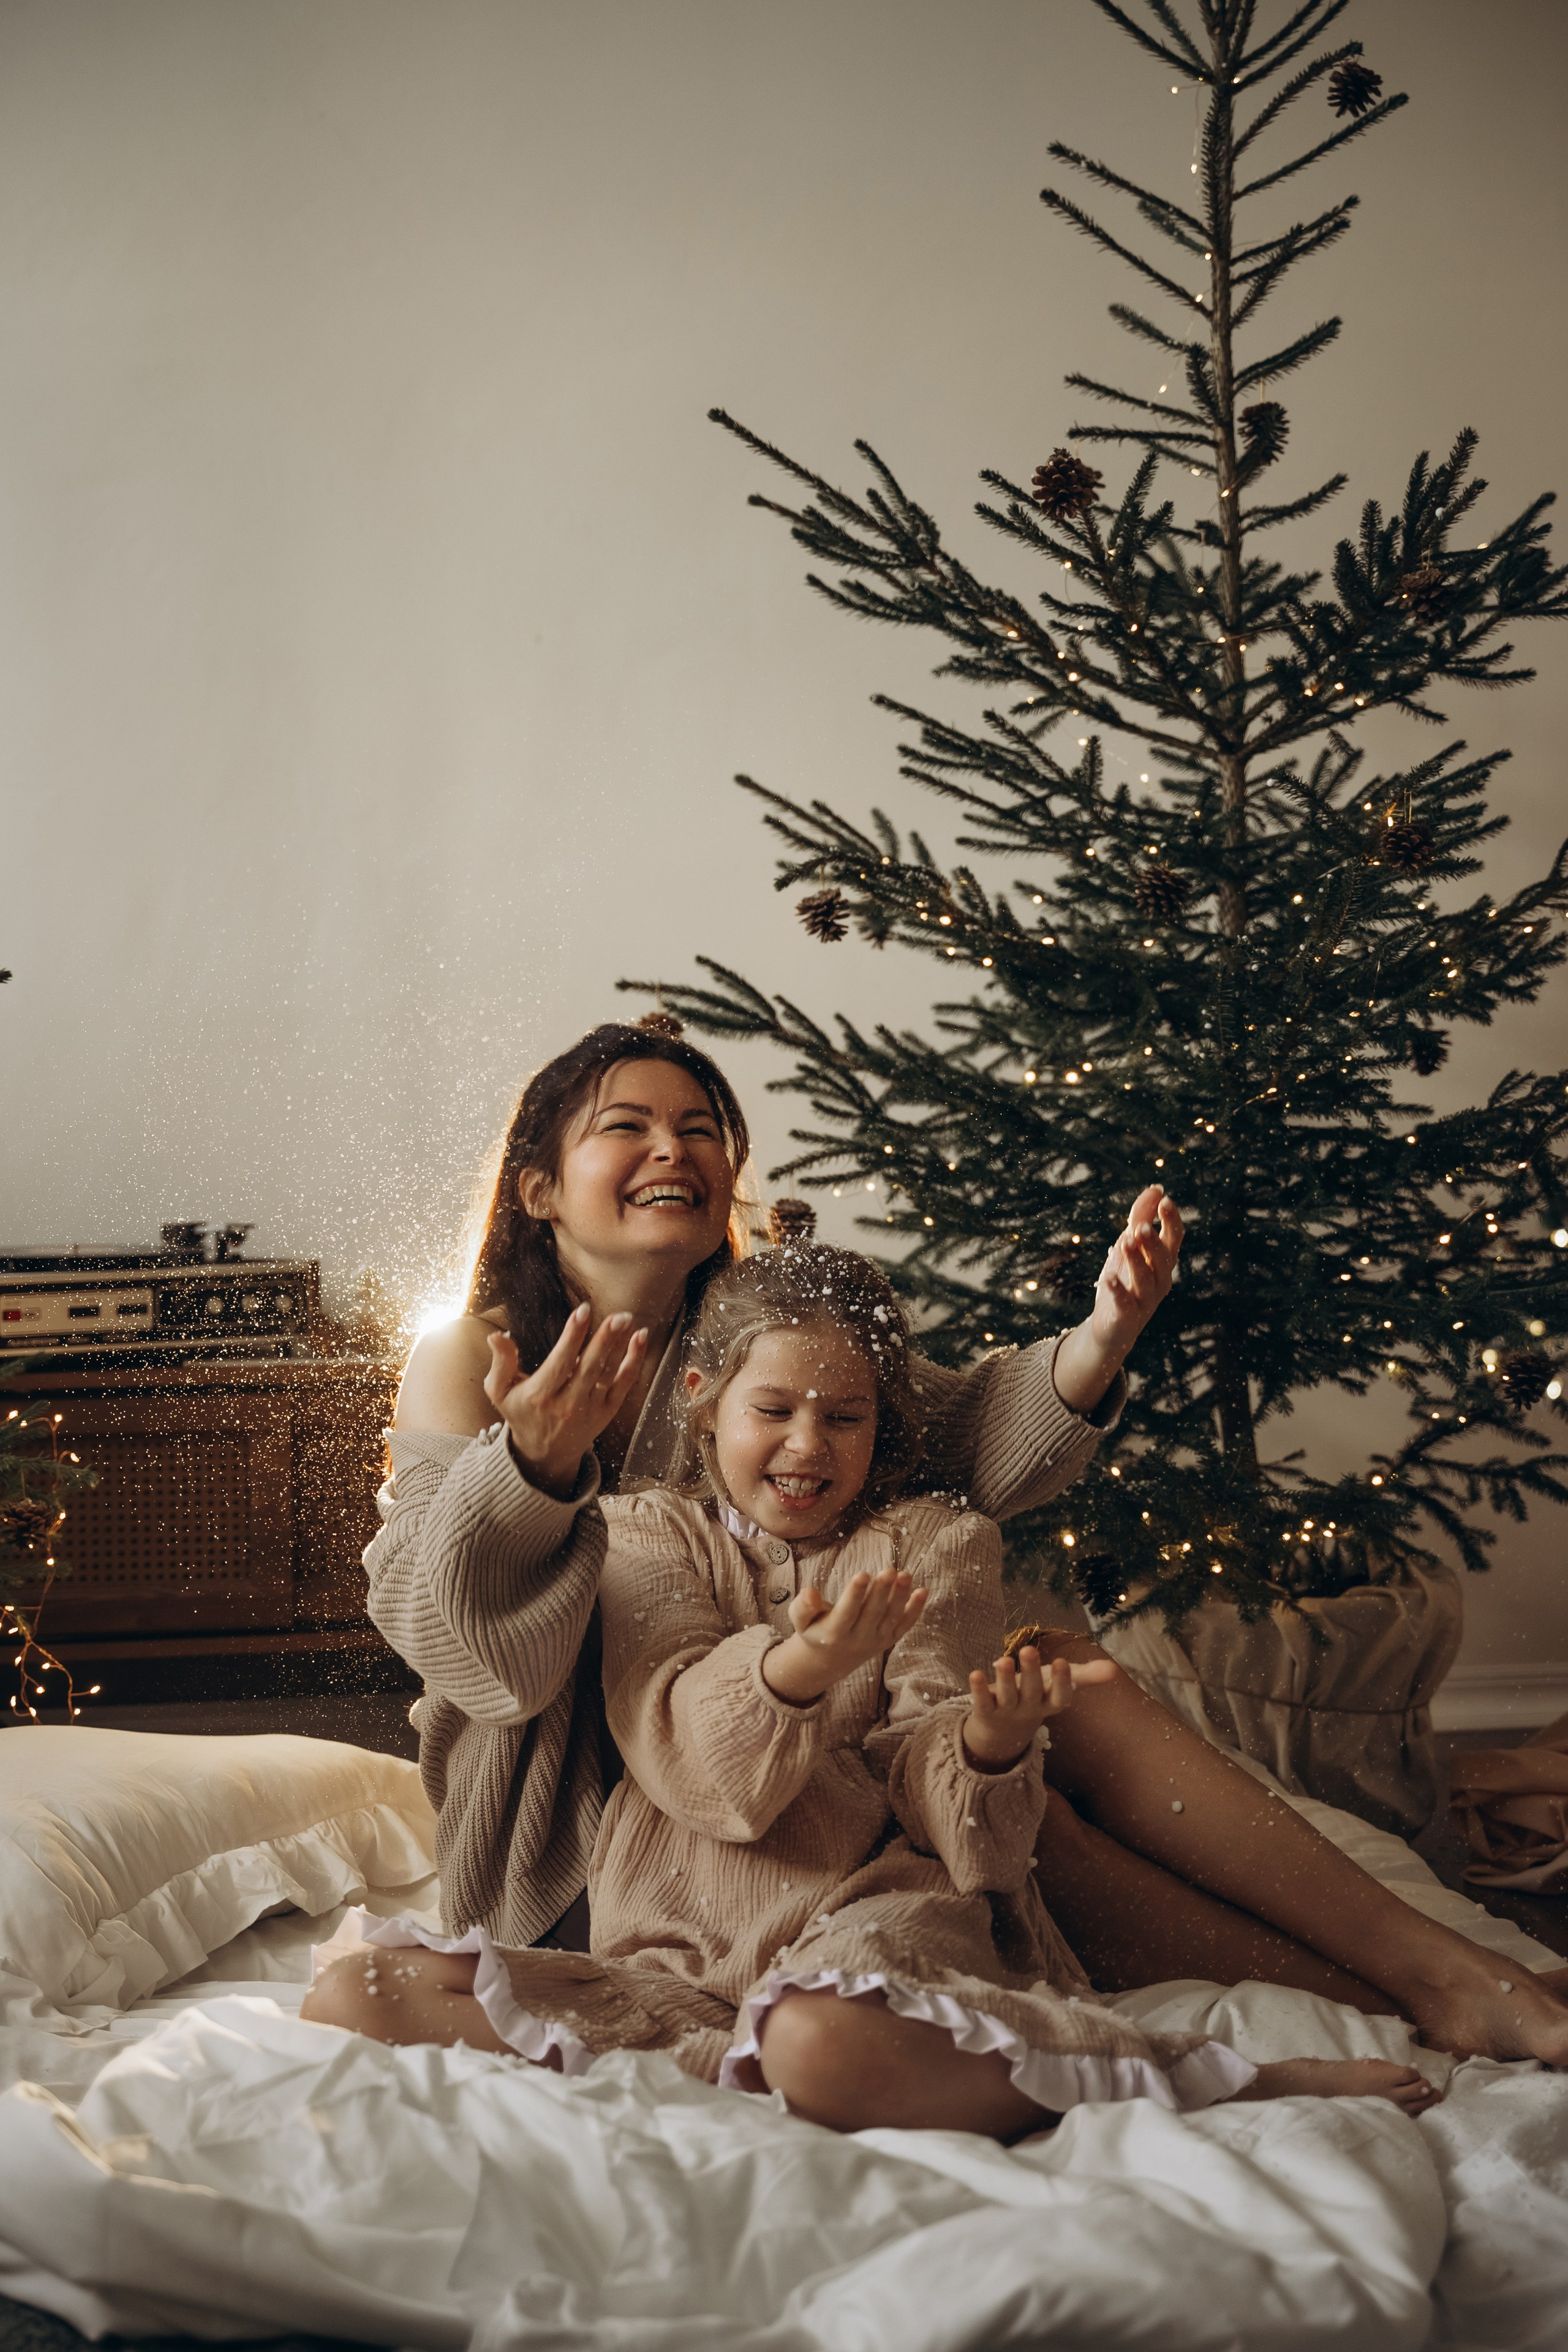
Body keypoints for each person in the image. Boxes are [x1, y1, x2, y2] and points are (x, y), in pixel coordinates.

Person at [364, 1012, 1568, 2067]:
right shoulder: (470, 1356)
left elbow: (942, 1435)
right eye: (627, 1127)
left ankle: (1438, 1976)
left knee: (1046, 1702)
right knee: (1037, 1831)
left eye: (698, 1129)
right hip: (612, 1833)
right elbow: (449, 1638)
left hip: (817, 1755)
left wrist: (1102, 1336)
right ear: (537, 1188)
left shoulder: (746, 1333)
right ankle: (1416, 1996)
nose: (673, 1150)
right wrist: (531, 1472)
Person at [308, 1243, 1438, 2135]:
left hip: (869, 1918)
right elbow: (695, 1770)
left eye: (844, 1417)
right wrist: (798, 1668)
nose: (809, 1445)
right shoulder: (642, 1535)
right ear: (704, 1401)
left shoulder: (934, 1541)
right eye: (775, 1410)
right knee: (357, 1991)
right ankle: (742, 2064)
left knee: (818, 2036)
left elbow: (964, 1823)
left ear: (884, 1423)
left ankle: (1209, 2079)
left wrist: (988, 1743)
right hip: (677, 1952)